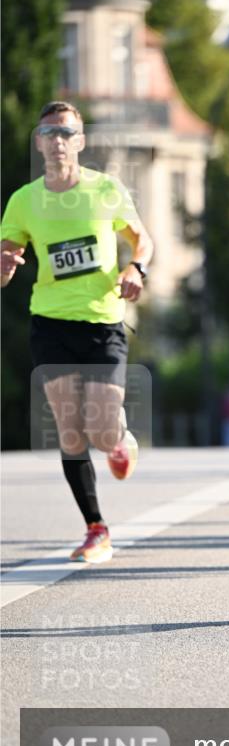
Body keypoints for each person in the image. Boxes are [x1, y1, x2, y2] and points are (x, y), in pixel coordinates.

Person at [1, 100, 153, 563]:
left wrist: (136, 268)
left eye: (67, 133)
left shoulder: (105, 189)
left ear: (81, 141)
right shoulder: (24, 200)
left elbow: (142, 238)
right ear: (39, 142)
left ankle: (120, 440)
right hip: (50, 323)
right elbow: (6, 258)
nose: (58, 142)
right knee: (70, 432)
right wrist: (5, 265)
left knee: (102, 431)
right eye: (49, 133)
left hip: (103, 322)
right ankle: (96, 528)